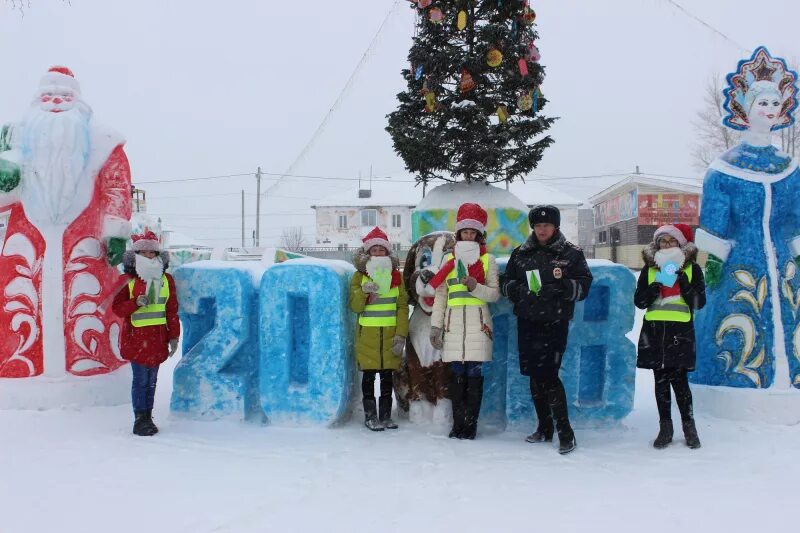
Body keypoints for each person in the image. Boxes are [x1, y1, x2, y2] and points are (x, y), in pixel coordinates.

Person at [0, 66, 133, 378]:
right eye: (48, 95)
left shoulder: (103, 140)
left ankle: (89, 364)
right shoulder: (13, 139)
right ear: (37, 100)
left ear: (77, 101)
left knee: (89, 300)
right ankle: (21, 365)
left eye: (64, 96)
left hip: (86, 237)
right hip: (26, 238)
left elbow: (117, 186)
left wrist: (115, 230)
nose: (56, 102)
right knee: (18, 301)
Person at [693, 47, 800, 389]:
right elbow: (713, 229)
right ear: (744, 109)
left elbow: (796, 220)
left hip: (786, 266)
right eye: (762, 103)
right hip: (739, 266)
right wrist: (710, 276)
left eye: (774, 103)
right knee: (734, 329)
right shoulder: (723, 169)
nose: (769, 110)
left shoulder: (790, 168)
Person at [500, 205, 592, 454]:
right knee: (533, 375)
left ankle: (565, 432)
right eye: (538, 226)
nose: (542, 230)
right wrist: (519, 291)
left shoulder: (571, 253)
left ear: (556, 227)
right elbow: (506, 283)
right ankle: (544, 427)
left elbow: (584, 285)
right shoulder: (520, 253)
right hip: (528, 321)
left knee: (549, 375)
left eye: (547, 225)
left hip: (555, 321)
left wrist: (562, 288)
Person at [428, 203, 499, 440]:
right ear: (458, 234)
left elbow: (494, 295)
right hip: (453, 327)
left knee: (474, 377)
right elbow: (440, 296)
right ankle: (458, 425)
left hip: (479, 327)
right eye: (465, 232)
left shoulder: (488, 260)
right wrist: (436, 327)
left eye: (473, 233)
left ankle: (471, 426)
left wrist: (475, 286)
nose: (468, 236)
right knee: (457, 377)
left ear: (478, 235)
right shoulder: (449, 260)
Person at [635, 224, 705, 449]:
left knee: (681, 383)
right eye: (662, 241)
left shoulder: (692, 269)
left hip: (680, 333)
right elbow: (640, 302)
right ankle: (665, 427)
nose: (666, 245)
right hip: (655, 332)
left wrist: (683, 283)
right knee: (660, 382)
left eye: (671, 241)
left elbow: (699, 302)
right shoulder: (650, 269)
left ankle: (689, 426)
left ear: (680, 243)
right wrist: (653, 288)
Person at [112, 231, 180, 436]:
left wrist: (174, 336)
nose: (149, 255)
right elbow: (117, 308)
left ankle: (147, 416)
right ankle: (139, 419)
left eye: (152, 252)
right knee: (141, 380)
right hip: (137, 339)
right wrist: (136, 303)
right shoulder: (128, 280)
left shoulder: (166, 279)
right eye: (144, 252)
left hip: (157, 338)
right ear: (136, 253)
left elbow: (171, 310)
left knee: (152, 380)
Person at [349, 227, 409, 431]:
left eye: (381, 250)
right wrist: (364, 294)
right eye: (373, 250)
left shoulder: (397, 278)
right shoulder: (359, 277)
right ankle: (370, 416)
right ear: (367, 253)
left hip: (390, 336)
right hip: (367, 338)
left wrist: (401, 334)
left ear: (387, 253)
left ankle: (385, 416)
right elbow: (355, 307)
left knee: (386, 380)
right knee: (368, 379)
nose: (377, 253)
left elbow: (402, 307)